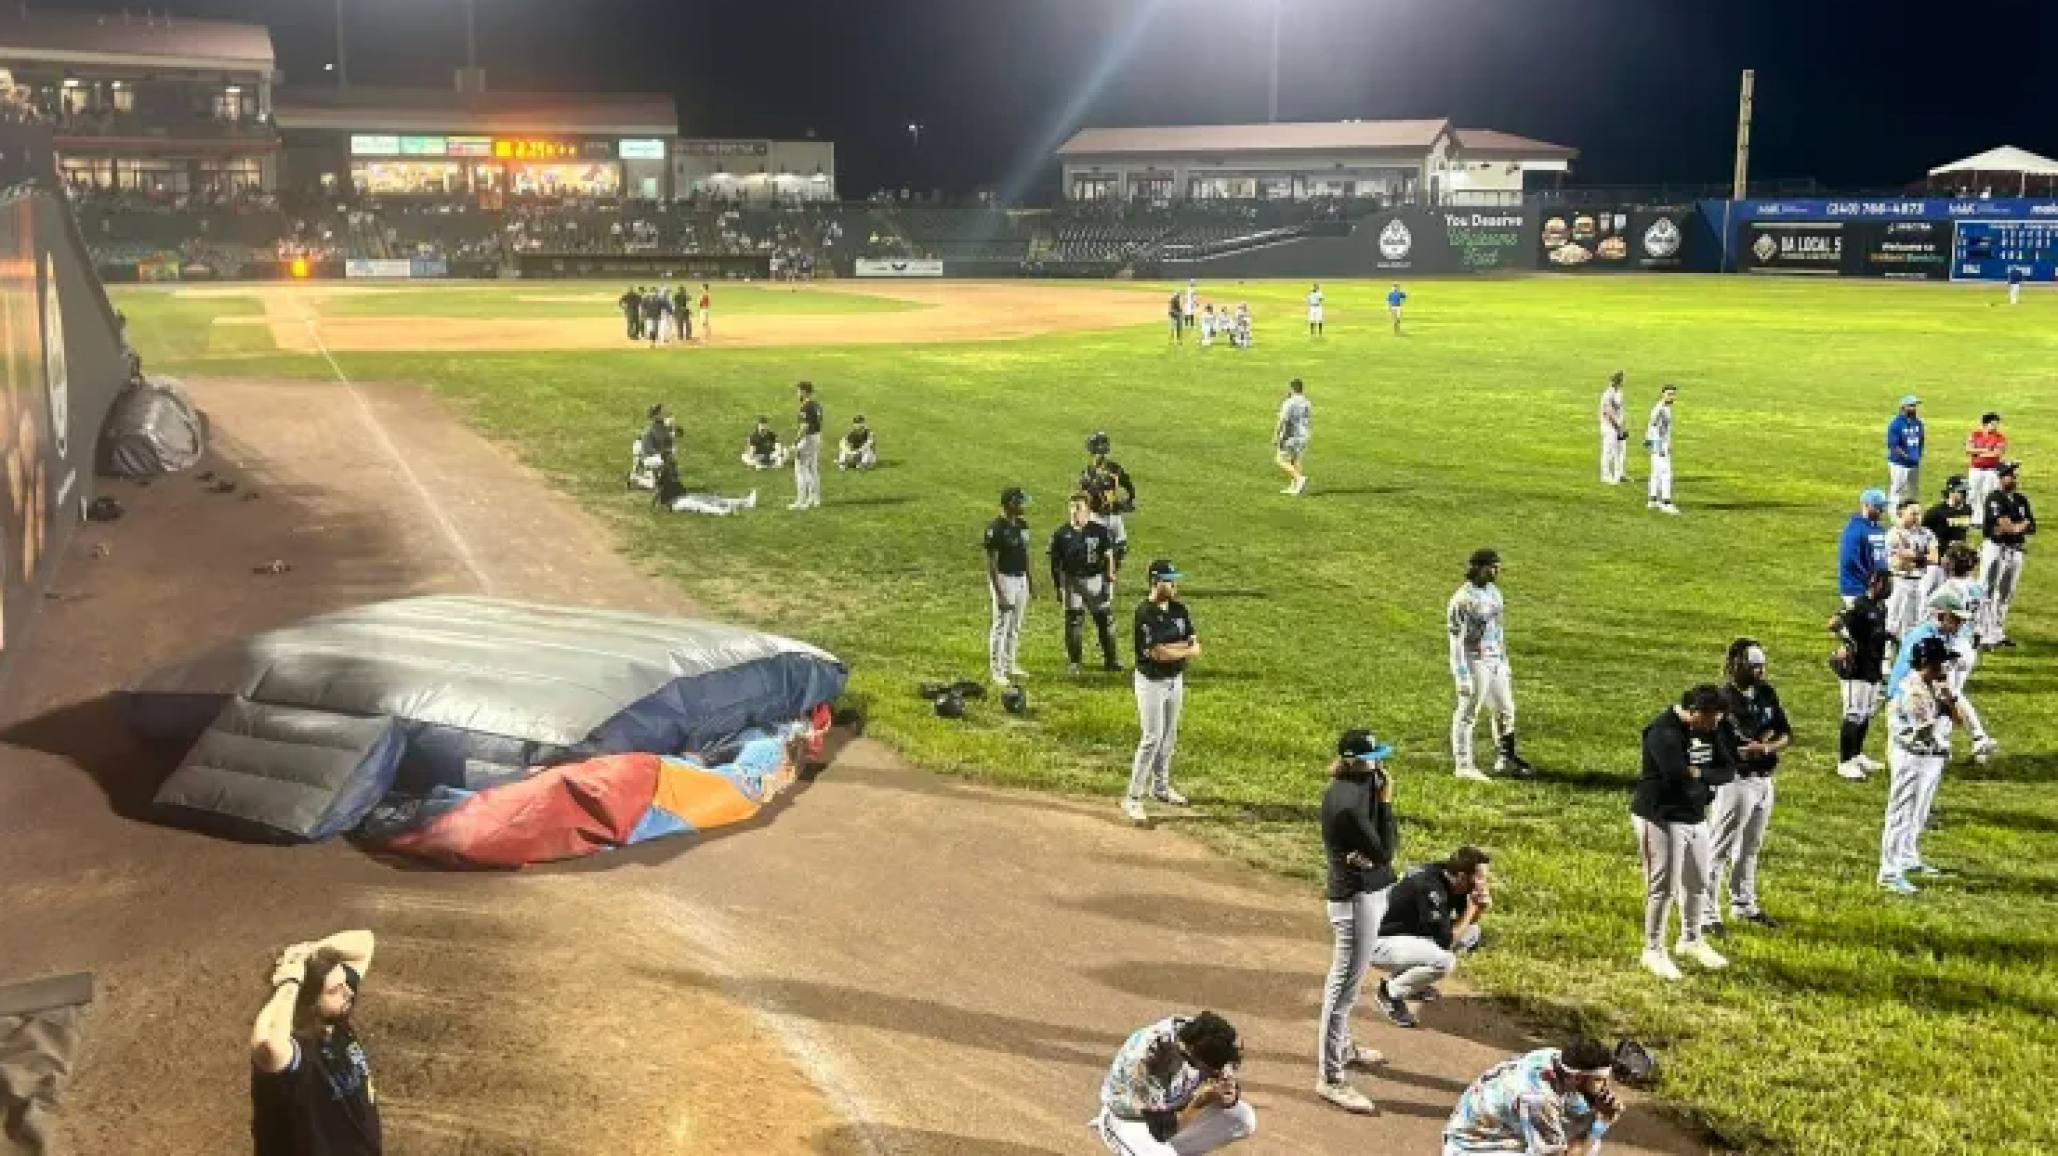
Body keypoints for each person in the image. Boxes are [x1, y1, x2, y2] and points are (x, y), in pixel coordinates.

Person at [1314, 729, 1399, 1115]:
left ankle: (1344, 1048)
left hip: (1369, 892)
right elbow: (1385, 849)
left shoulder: (1362, 784)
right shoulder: (1348, 801)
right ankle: (1330, 1077)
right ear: (1355, 761)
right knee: (1343, 990)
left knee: (1350, 984)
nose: (1380, 764)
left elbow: (1378, 856)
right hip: (1353, 901)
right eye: (1373, 758)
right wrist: (1387, 803)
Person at [1631, 684, 1731, 980]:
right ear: (1696, 712)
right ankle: (1653, 950)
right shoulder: (1663, 733)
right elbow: (1676, 779)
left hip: (1694, 816)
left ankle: (1691, 939)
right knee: (1664, 886)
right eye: (1713, 718)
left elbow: (1728, 769)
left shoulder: (1708, 728)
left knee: (1699, 880)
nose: (1717, 725)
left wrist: (1700, 776)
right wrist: (1703, 786)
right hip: (1661, 816)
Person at [250, 930, 381, 1156]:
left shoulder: (333, 1021)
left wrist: (312, 949)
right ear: (308, 1001)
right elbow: (269, 1045)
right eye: (335, 990)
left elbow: (365, 943)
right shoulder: (295, 1049)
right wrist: (289, 983)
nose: (348, 992)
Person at [1706, 640, 1792, 937]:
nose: (1761, 671)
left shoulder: (1766, 693)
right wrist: (1757, 745)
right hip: (1736, 782)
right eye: (1754, 666)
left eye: (1762, 666)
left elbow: (1786, 735)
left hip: (1764, 779)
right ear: (1739, 667)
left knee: (1750, 847)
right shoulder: (1723, 700)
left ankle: (1744, 904)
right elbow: (1729, 747)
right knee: (1720, 846)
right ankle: (1706, 913)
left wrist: (1765, 747)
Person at [1092, 1011, 1256, 1155]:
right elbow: (1161, 1131)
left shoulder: (1205, 1036)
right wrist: (1201, 1102)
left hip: (1174, 1109)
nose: (1218, 1073)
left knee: (1243, 1119)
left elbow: (1227, 1074)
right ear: (1194, 1058)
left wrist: (1228, 1094)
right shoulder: (1144, 1061)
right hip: (1131, 1121)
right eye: (1211, 1069)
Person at [1371, 846, 1492, 1031]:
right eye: (1479, 878)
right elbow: (1447, 941)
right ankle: (1390, 992)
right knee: (1444, 962)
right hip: (1378, 943)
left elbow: (1463, 924)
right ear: (1461, 876)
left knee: (1472, 932)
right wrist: (1472, 908)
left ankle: (1411, 983)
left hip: (1407, 934)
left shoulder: (1452, 878)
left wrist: (1478, 909)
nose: (1483, 883)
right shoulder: (1429, 887)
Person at [1878, 635, 1962, 895]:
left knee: (1918, 813)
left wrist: (1948, 700)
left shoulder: (1932, 686)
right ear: (1928, 663)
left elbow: (1957, 719)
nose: (1945, 668)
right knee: (1900, 815)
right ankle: (1889, 872)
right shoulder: (1914, 690)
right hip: (1911, 757)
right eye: (1941, 663)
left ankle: (1906, 857)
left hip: (1928, 757)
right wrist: (1942, 706)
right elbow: (1925, 729)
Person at [1443, 1039, 1623, 1156]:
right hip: (1472, 1147)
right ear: (1576, 1078)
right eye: (1599, 1080)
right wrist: (1602, 1121)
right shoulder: (1538, 1098)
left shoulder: (1553, 1057)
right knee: (1587, 1141)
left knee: (1587, 1140)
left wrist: (1592, 1108)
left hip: (1490, 1127)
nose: (1606, 1087)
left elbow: (1574, 1112)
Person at [1886, 588, 1997, 766]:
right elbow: (1912, 675)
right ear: (1940, 616)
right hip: (1905, 696)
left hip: (1922, 692)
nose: (1960, 623)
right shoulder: (1922, 637)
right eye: (1955, 618)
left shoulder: (1940, 634)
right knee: (1903, 752)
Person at [1448, 548, 1532, 782]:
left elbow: (1498, 629)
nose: (1496, 571)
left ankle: (1505, 757)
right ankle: (1463, 765)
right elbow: (1456, 640)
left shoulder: (1495, 593)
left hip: (1496, 660)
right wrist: (1462, 675)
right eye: (1491, 566)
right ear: (1478, 567)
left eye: (1497, 566)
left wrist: (1504, 659)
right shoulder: (1462, 600)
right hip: (1475, 660)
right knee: (1468, 712)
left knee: (1506, 709)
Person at [1126, 559, 1198, 826]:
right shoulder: (1144, 612)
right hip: (1151, 683)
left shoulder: (1180, 609)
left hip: (1174, 680)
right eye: (1169, 580)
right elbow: (1158, 653)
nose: (1175, 584)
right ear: (1156, 582)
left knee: (1169, 737)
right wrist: (1182, 650)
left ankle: (1160, 787)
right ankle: (1133, 798)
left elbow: (1194, 644)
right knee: (1151, 739)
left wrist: (1178, 650)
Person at [1828, 568, 1893, 782]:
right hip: (1857, 669)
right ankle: (1844, 762)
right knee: (1853, 714)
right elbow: (1836, 622)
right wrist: (1845, 644)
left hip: (1873, 668)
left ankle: (1857, 755)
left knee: (1865, 713)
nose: (1890, 587)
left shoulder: (1880, 607)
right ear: (1874, 583)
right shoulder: (1859, 604)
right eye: (1886, 582)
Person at [1049, 492, 1123, 676]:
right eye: (1072, 508)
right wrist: (1058, 587)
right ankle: (1075, 662)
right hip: (1071, 581)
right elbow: (1055, 564)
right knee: (1074, 621)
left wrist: (1109, 580)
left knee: (1105, 620)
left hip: (1095, 579)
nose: (1074, 512)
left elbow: (1108, 557)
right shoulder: (1060, 534)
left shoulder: (1099, 531)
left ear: (1088, 511)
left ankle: (1111, 660)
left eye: (1079, 508)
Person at [1978, 461, 2034, 648]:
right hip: (1995, 548)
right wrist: (2019, 526)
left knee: (2006, 593)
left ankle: (1997, 632)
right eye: (2010, 475)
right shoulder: (1994, 498)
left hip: (2016, 551)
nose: (2014, 478)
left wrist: (2015, 527)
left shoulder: (2021, 500)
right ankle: (1982, 633)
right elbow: (2005, 527)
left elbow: (2031, 526)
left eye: (2015, 475)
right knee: (1987, 590)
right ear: (2001, 477)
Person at [984, 487, 1033, 688]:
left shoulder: (1022, 525)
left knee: (1015, 626)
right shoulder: (995, 529)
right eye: (1020, 503)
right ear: (1010, 504)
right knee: (1001, 625)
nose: (1024, 507)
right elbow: (992, 564)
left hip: (1020, 579)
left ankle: (1010, 664)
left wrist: (1030, 579)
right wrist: (1000, 592)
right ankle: (997, 670)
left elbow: (1025, 553)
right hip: (1004, 579)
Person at [1080, 432, 1137, 573]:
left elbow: (1128, 483)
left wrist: (1129, 499)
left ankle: (1110, 575)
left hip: (1114, 515)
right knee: (1097, 551)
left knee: (1120, 547)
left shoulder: (1114, 468)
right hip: (1097, 517)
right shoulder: (1088, 473)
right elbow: (1084, 496)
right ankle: (1098, 575)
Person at [1884, 500, 1939, 640]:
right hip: (1899, 583)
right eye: (1913, 513)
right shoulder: (1893, 534)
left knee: (1914, 625)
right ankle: (1885, 659)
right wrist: (1922, 559)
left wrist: (1912, 556)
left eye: (1919, 513)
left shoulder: (1927, 533)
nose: (1917, 517)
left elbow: (1934, 558)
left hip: (1920, 583)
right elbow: (1899, 564)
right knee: (1892, 625)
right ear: (1901, 513)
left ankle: (1907, 658)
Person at [1920, 477, 1975, 604]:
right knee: (1927, 595)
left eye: (1965, 491)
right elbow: (1923, 535)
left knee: (1950, 598)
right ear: (1951, 491)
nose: (1964, 495)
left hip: (1955, 563)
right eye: (1961, 491)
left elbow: (1963, 532)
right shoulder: (1935, 512)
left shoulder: (1967, 509)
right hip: (1936, 563)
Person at [1836, 488, 1889, 607]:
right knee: (1860, 624)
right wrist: (1870, 581)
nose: (1882, 510)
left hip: (1877, 588)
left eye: (1883, 506)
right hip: (1857, 588)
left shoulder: (1879, 528)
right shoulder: (1855, 530)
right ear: (1865, 505)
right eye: (1878, 507)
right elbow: (1849, 560)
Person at [652, 457, 756, 516]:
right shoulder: (663, 476)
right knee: (700, 505)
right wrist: (656, 505)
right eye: (673, 466)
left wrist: (699, 489)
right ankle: (723, 512)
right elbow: (658, 492)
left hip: (685, 496)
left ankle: (746, 502)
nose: (675, 468)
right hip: (675, 503)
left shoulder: (673, 475)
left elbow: (681, 489)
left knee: (712, 498)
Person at [1643, 384, 1680, 515]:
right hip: (1659, 445)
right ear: (1662, 394)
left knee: (1656, 473)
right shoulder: (1660, 409)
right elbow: (1653, 427)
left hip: (1657, 444)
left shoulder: (1664, 408)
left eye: (1673, 394)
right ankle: (1666, 503)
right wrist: (1660, 447)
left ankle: (1652, 500)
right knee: (1666, 473)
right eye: (1669, 394)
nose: (1672, 397)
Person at [1886, 395, 1925, 508]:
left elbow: (1921, 440)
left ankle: (1912, 514)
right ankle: (1894, 513)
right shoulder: (1896, 424)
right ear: (1903, 407)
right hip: (1899, 464)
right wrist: (1907, 457)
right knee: (1898, 490)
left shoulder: (1918, 422)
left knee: (1913, 490)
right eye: (1911, 406)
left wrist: (1918, 455)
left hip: (1914, 463)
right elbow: (1893, 446)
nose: (1914, 408)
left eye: (1915, 406)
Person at [1964, 412, 2008, 515]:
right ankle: (1973, 516)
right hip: (1976, 469)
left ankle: (1986, 516)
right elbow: (1968, 449)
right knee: (1973, 493)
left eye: (1996, 424)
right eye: (1992, 424)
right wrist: (1984, 450)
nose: (1995, 426)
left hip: (1991, 470)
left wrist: (1978, 452)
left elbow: (1996, 453)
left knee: (1988, 493)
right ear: (1985, 424)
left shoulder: (2000, 437)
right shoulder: (1975, 434)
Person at [1274, 378, 1311, 496]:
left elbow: (1282, 420)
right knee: (1295, 459)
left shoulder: (1289, 402)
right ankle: (1294, 487)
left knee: (1279, 460)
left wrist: (1276, 435)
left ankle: (1299, 478)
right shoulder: (1306, 401)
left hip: (1291, 435)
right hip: (1303, 434)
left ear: (1292, 389)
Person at [789, 381, 823, 511]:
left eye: (798, 391)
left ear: (804, 391)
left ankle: (801, 501)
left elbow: (804, 426)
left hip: (807, 439)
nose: (797, 394)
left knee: (800, 470)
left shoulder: (806, 407)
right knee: (813, 469)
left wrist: (795, 442)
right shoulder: (817, 405)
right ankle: (815, 499)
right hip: (817, 437)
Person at [1598, 371, 1629, 486]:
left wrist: (1623, 425)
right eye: (1622, 379)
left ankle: (1619, 473)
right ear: (1618, 381)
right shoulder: (1608, 394)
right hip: (1609, 427)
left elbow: (1621, 409)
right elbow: (1608, 413)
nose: (1624, 381)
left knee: (1621, 450)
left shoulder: (1619, 392)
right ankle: (1605, 475)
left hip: (1619, 425)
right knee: (1609, 451)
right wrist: (1618, 427)